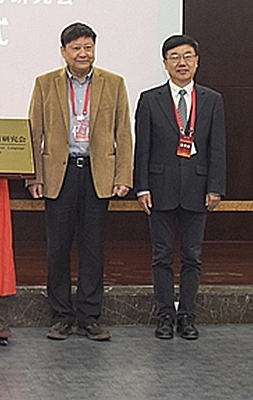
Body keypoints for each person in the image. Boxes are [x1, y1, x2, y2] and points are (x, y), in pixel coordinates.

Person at [27, 22, 133, 341]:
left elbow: (124, 134)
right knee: (57, 248)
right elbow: (34, 132)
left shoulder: (114, 83)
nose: (83, 53)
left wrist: (123, 176)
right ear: (63, 52)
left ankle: (89, 316)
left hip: (97, 174)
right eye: (76, 48)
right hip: (59, 175)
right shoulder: (45, 83)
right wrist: (34, 177)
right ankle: (61, 316)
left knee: (93, 248)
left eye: (88, 47)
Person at [134, 34, 226, 341]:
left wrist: (215, 187)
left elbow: (217, 148)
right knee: (161, 256)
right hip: (159, 189)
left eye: (187, 56)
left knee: (192, 256)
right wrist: (142, 187)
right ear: (165, 64)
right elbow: (142, 149)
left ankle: (187, 315)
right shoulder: (150, 99)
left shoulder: (212, 100)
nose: (181, 62)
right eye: (174, 57)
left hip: (198, 189)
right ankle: (164, 315)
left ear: (197, 62)